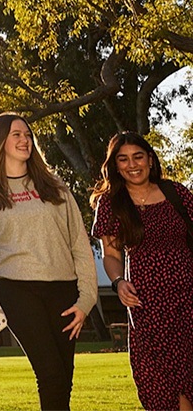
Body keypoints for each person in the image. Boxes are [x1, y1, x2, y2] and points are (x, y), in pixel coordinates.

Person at [0, 113, 97, 410]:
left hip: (63, 290)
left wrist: (87, 299)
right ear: (0, 141)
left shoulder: (55, 186)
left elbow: (79, 243)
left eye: (27, 134)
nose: (24, 140)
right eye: (16, 134)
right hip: (16, 289)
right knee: (50, 372)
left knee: (63, 378)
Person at [90, 131, 193, 410]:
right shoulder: (111, 203)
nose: (132, 164)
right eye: (123, 159)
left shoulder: (177, 193)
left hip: (187, 299)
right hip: (144, 304)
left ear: (149, 159)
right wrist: (118, 282)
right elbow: (110, 255)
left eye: (138, 156)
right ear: (115, 165)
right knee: (159, 386)